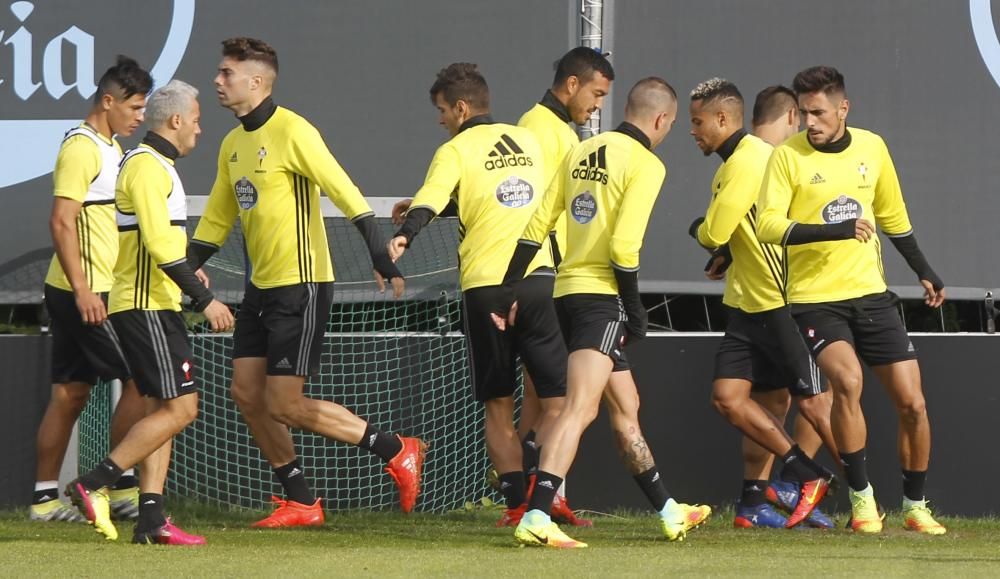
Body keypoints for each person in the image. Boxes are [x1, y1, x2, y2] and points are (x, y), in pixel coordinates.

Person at [187, 37, 424, 528]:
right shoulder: (232, 145)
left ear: (256, 81)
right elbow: (214, 223)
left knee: (285, 403)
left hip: (303, 286)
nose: (217, 80)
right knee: (248, 395)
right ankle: (302, 502)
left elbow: (345, 190)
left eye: (226, 73)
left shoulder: (294, 130)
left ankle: (397, 448)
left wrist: (380, 253)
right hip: (260, 289)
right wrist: (181, 271)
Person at [495, 77, 711, 548]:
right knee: (580, 408)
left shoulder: (580, 149)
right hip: (601, 300)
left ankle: (669, 510)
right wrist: (635, 313)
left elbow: (537, 224)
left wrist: (507, 287)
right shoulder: (646, 164)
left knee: (626, 406)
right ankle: (535, 515)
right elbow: (624, 246)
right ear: (661, 120)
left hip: (566, 294)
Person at [757, 65, 947, 535]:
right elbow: (768, 226)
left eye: (818, 112)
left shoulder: (873, 147)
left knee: (914, 404)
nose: (809, 123)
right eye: (802, 114)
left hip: (872, 296)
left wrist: (923, 270)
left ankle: (915, 506)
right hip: (815, 300)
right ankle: (863, 501)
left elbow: (893, 217)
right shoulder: (787, 158)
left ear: (843, 108)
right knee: (847, 380)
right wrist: (835, 230)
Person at [388, 62, 567, 528]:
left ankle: (514, 506)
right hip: (537, 276)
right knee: (561, 403)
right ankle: (536, 480)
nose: (440, 119)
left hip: (486, 286)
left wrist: (406, 233)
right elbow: (530, 199)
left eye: (442, 110)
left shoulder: (456, 149)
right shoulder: (529, 141)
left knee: (499, 405)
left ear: (462, 108)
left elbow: (430, 198)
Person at [66, 79, 234, 545]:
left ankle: (151, 520)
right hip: (144, 307)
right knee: (182, 409)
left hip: (155, 303)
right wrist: (206, 301)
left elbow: (158, 240)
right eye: (197, 120)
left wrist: (190, 274)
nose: (200, 130)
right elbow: (160, 245)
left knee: (164, 408)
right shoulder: (144, 165)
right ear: (176, 120)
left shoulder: (157, 165)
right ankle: (93, 482)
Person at [686, 78, 838, 530]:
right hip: (747, 302)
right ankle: (766, 494)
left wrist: (700, 230)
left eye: (696, 122)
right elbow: (748, 226)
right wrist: (729, 253)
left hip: (777, 303)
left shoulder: (749, 160)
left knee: (816, 402)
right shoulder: (739, 161)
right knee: (737, 400)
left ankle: (858, 495)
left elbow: (713, 229)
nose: (692, 131)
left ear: (722, 119)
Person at [33, 56, 152, 524]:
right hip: (83, 293)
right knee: (143, 381)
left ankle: (45, 501)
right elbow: (61, 220)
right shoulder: (82, 148)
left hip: (93, 290)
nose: (141, 116)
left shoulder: (112, 148)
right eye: (135, 107)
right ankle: (110, 483)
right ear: (109, 101)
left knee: (70, 395)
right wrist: (84, 290)